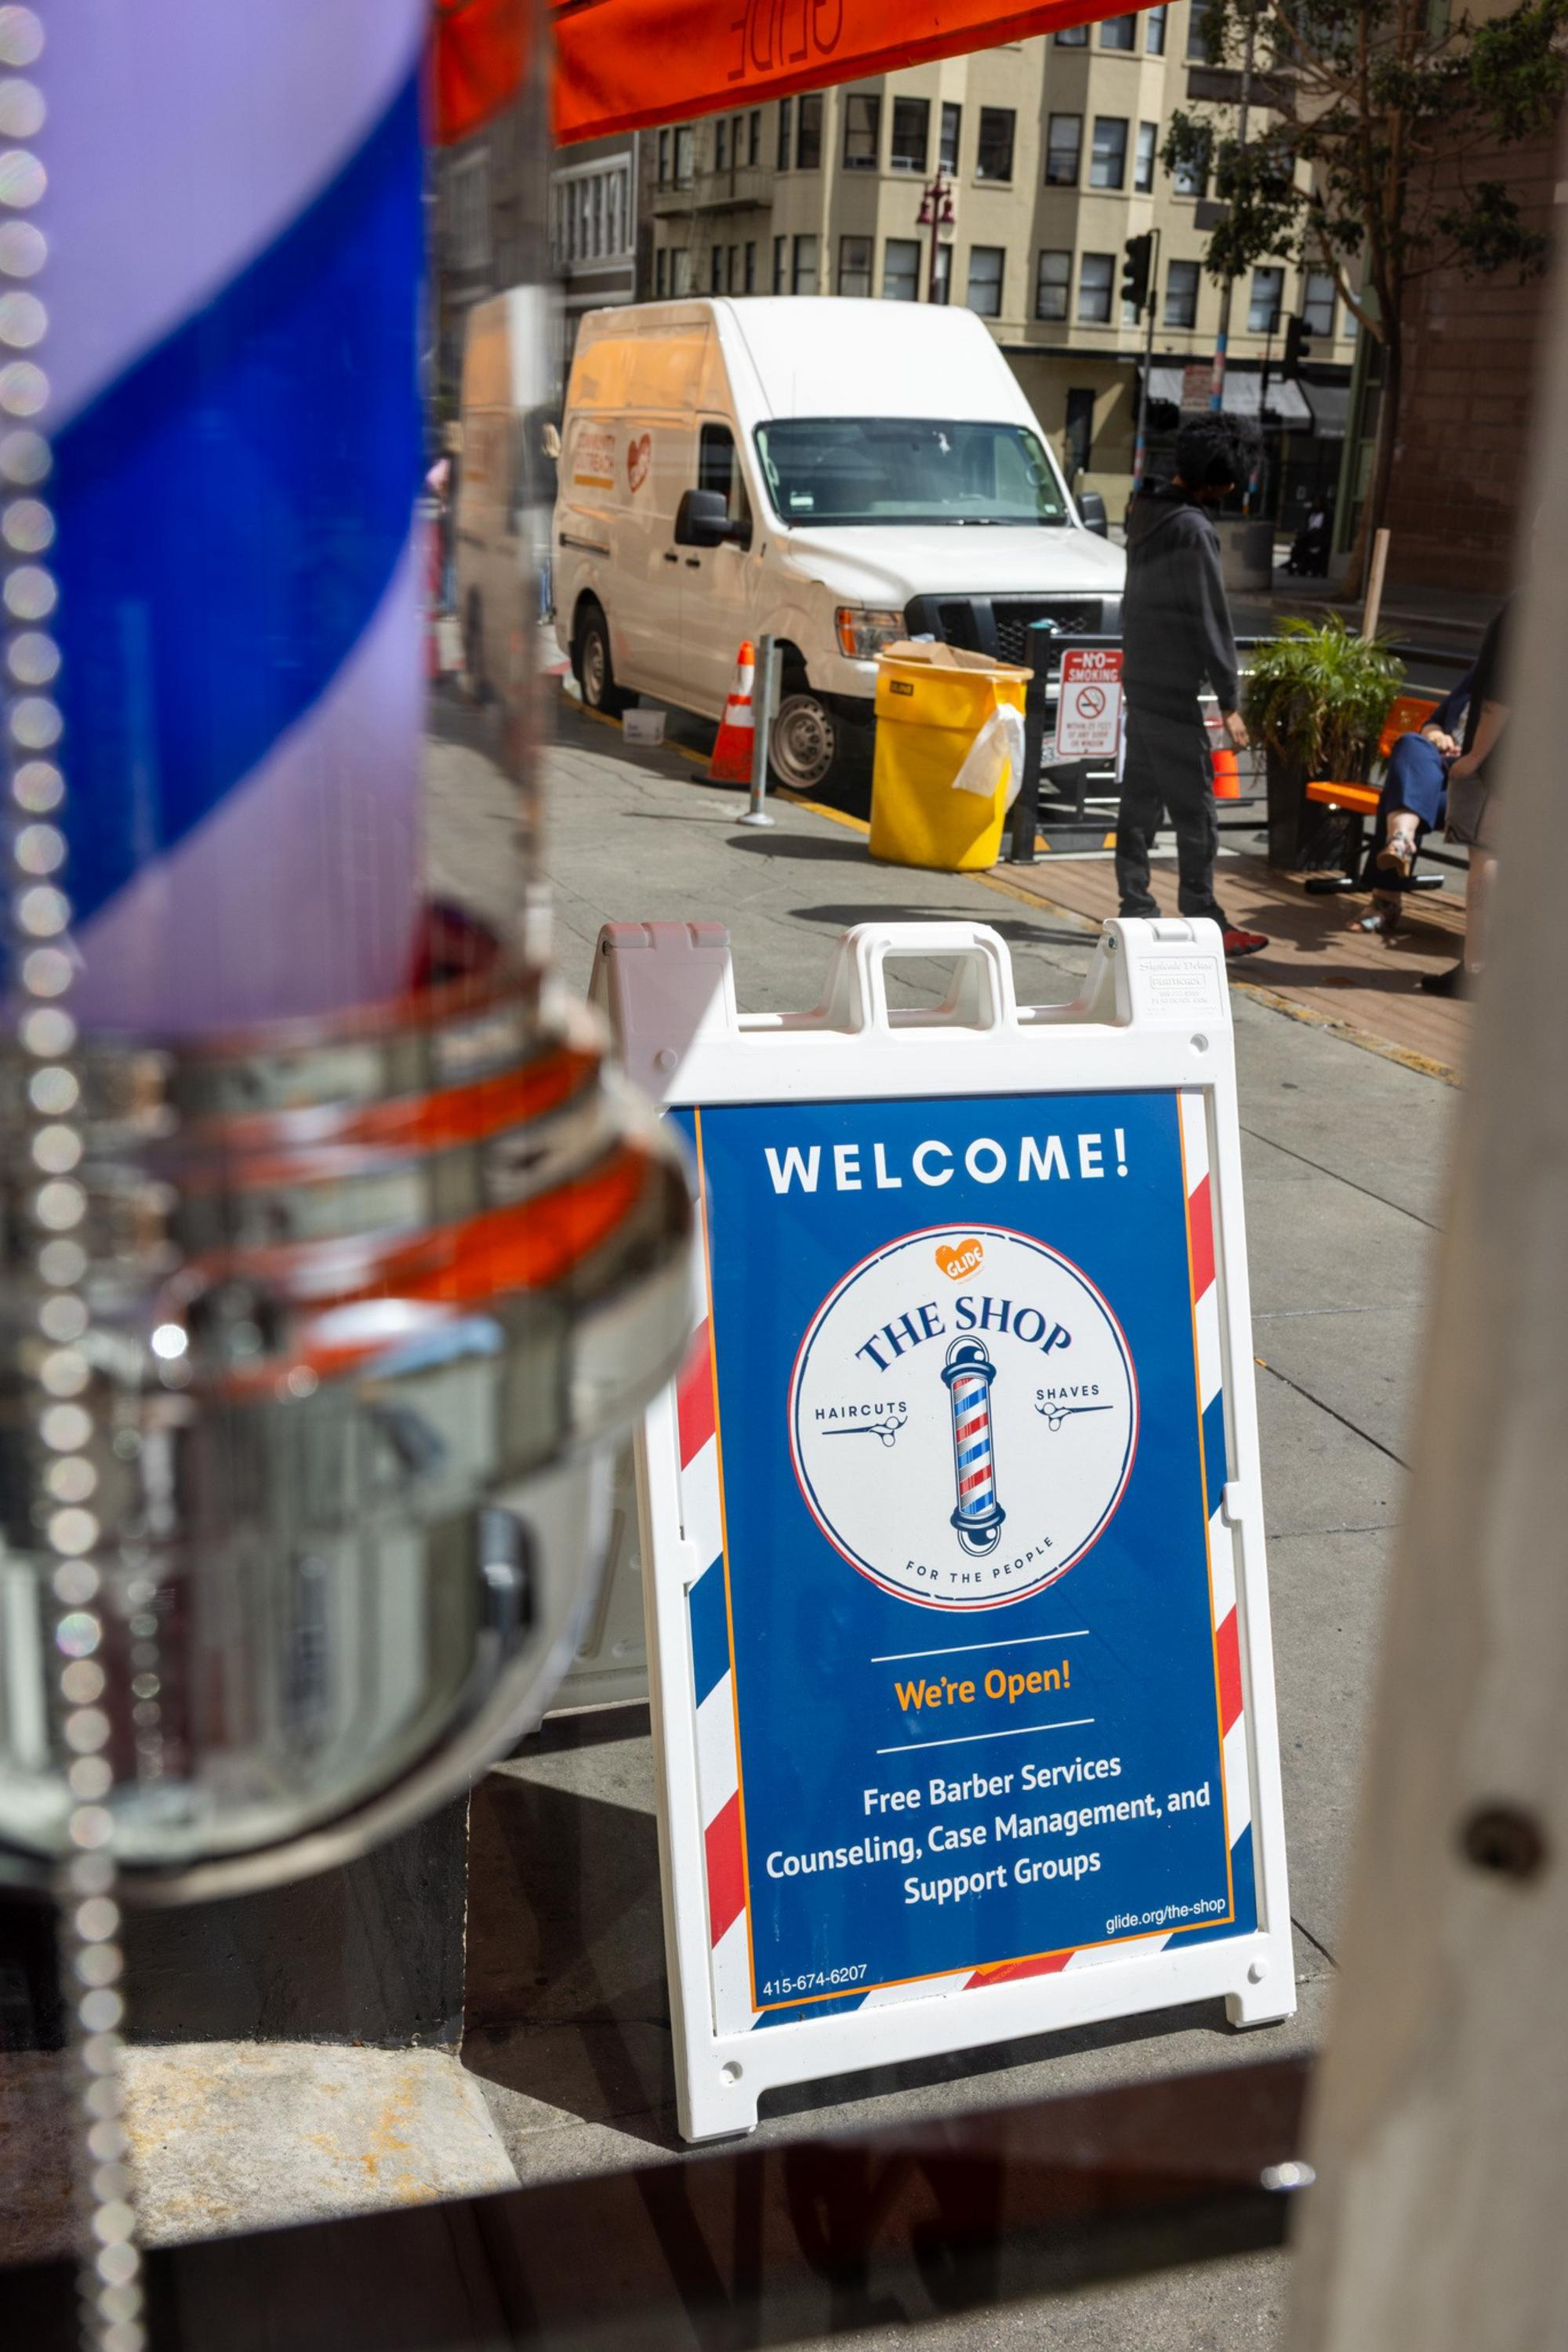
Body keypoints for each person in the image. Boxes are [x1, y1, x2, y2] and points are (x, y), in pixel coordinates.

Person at [1117, 415, 1268, 958]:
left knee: (1138, 800)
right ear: (1220, 476)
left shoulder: (1144, 511)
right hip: (1173, 687)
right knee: (1196, 810)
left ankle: (1135, 905)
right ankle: (1205, 917)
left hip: (1140, 677)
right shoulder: (1193, 529)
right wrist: (1231, 703)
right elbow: (1211, 618)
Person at [1419, 599, 1511, 998]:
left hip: (1503, 762)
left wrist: (1474, 757)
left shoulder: (1526, 606)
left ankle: (1477, 970)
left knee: (1486, 859)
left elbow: (1499, 697)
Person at [1353, 667, 1473, 937]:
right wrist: (1437, 737)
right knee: (1411, 742)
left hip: (1474, 787)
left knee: (1402, 795)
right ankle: (1402, 838)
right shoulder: (1479, 675)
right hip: (1437, 773)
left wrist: (1469, 756)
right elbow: (1433, 722)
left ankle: (1386, 898)